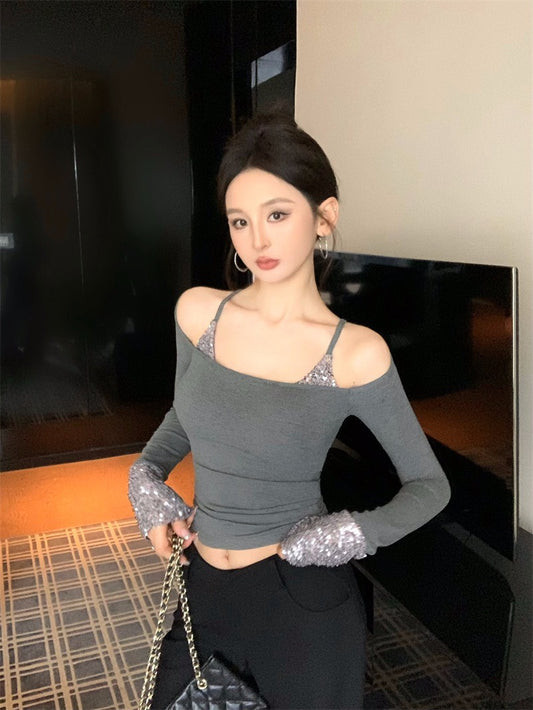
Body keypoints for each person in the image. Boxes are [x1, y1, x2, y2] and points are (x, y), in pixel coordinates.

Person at [128, 112, 451, 709]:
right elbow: (184, 417)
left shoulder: (354, 352)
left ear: (324, 216)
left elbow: (431, 487)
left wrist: (347, 535)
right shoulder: (198, 313)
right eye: (240, 221)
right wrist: (145, 480)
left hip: (301, 601)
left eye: (277, 215)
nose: (257, 241)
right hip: (202, 586)